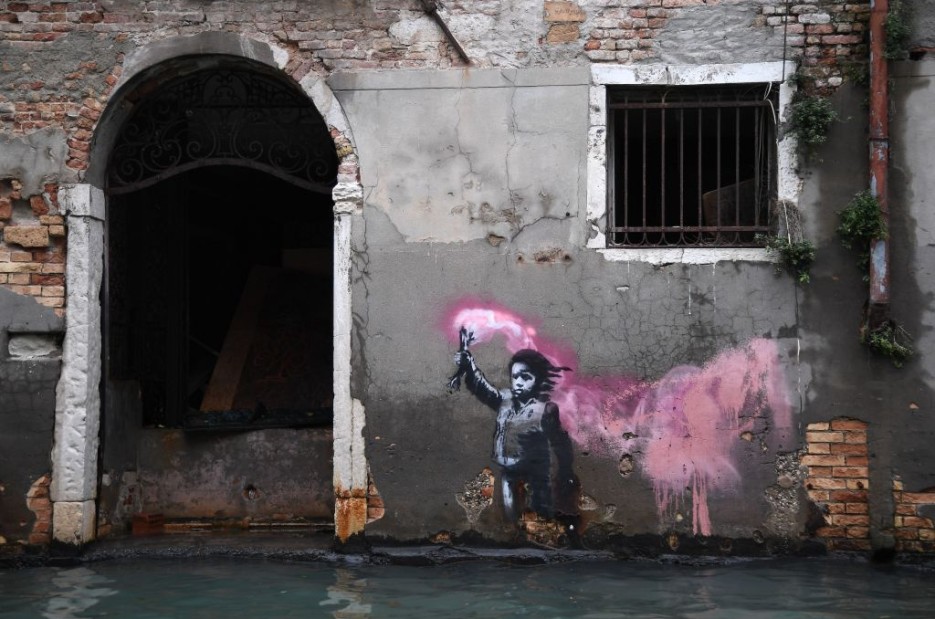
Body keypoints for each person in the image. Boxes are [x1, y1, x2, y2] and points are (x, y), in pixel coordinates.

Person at [453, 341, 579, 528]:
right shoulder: (505, 399)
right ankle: (515, 534)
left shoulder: (545, 409)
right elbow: (483, 389)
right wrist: (469, 366)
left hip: (536, 475)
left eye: (525, 377)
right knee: (511, 516)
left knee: (539, 515)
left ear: (538, 379)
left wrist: (566, 468)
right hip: (509, 471)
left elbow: (560, 441)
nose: (519, 382)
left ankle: (541, 535)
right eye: (515, 377)